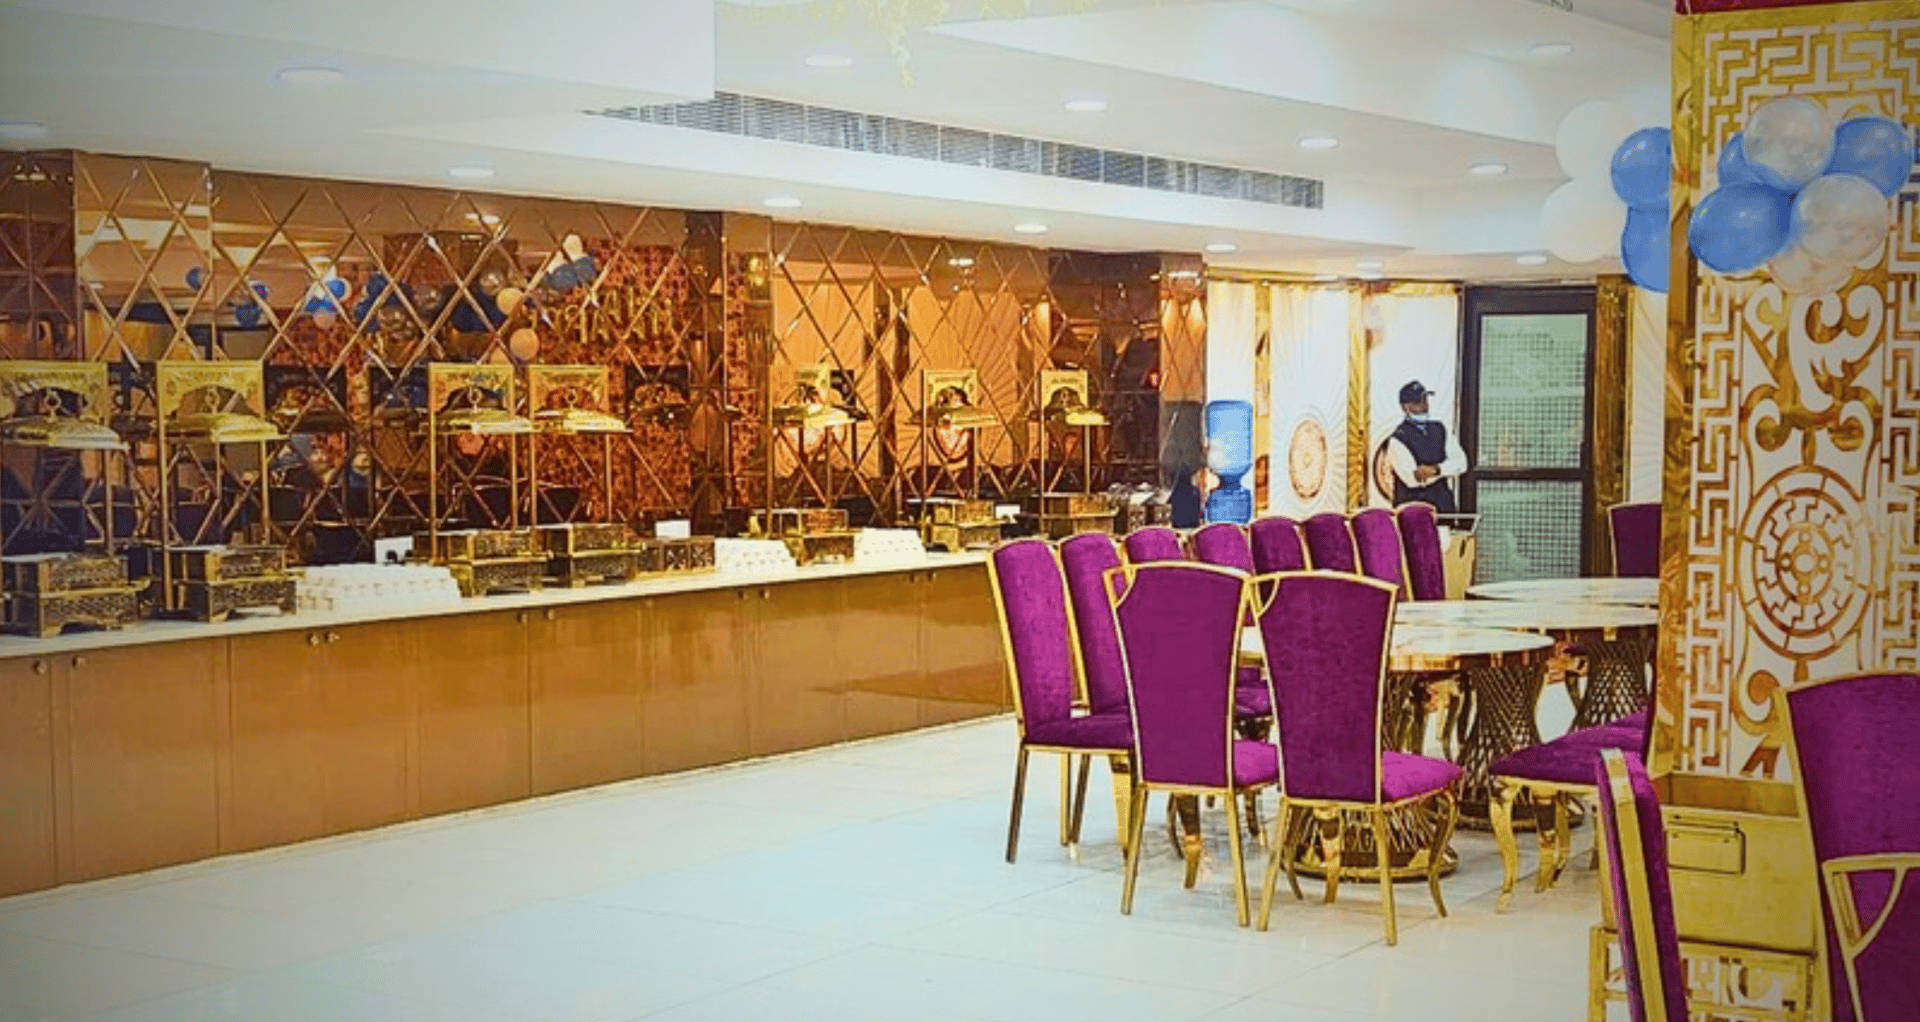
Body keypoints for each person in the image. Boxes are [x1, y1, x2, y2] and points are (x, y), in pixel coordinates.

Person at [1387, 379, 1468, 513]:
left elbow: (1461, 463)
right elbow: (1413, 480)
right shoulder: (1397, 438)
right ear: (1405, 408)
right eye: (1417, 402)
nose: (1424, 405)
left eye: (1425, 400)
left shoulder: (1440, 428)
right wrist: (1445, 469)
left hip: (1443, 508)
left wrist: (1436, 470)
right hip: (1412, 512)